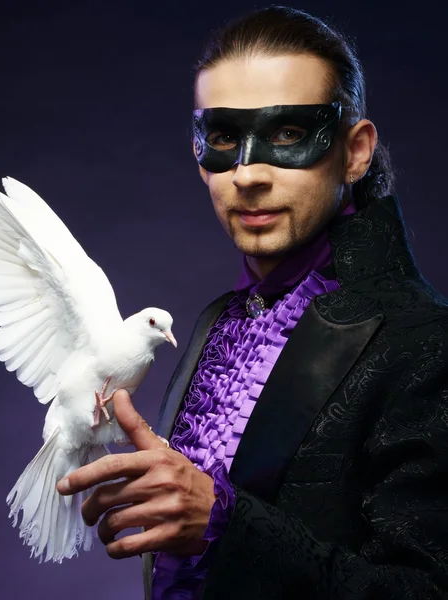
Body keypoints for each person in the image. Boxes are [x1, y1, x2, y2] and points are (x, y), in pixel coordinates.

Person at [56, 5, 448, 598]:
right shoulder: (220, 320)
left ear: (356, 150)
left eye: (288, 133)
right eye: (224, 137)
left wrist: (224, 522)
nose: (247, 174)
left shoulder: (427, 341)